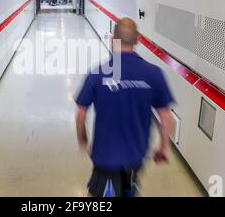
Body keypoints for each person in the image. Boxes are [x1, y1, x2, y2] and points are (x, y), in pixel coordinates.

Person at [75, 17, 174, 197]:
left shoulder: (97, 73)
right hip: (136, 156)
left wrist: (83, 138)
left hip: (105, 155)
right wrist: (164, 147)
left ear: (113, 40)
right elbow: (166, 117)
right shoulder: (154, 73)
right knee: (129, 187)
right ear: (137, 41)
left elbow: (81, 113)